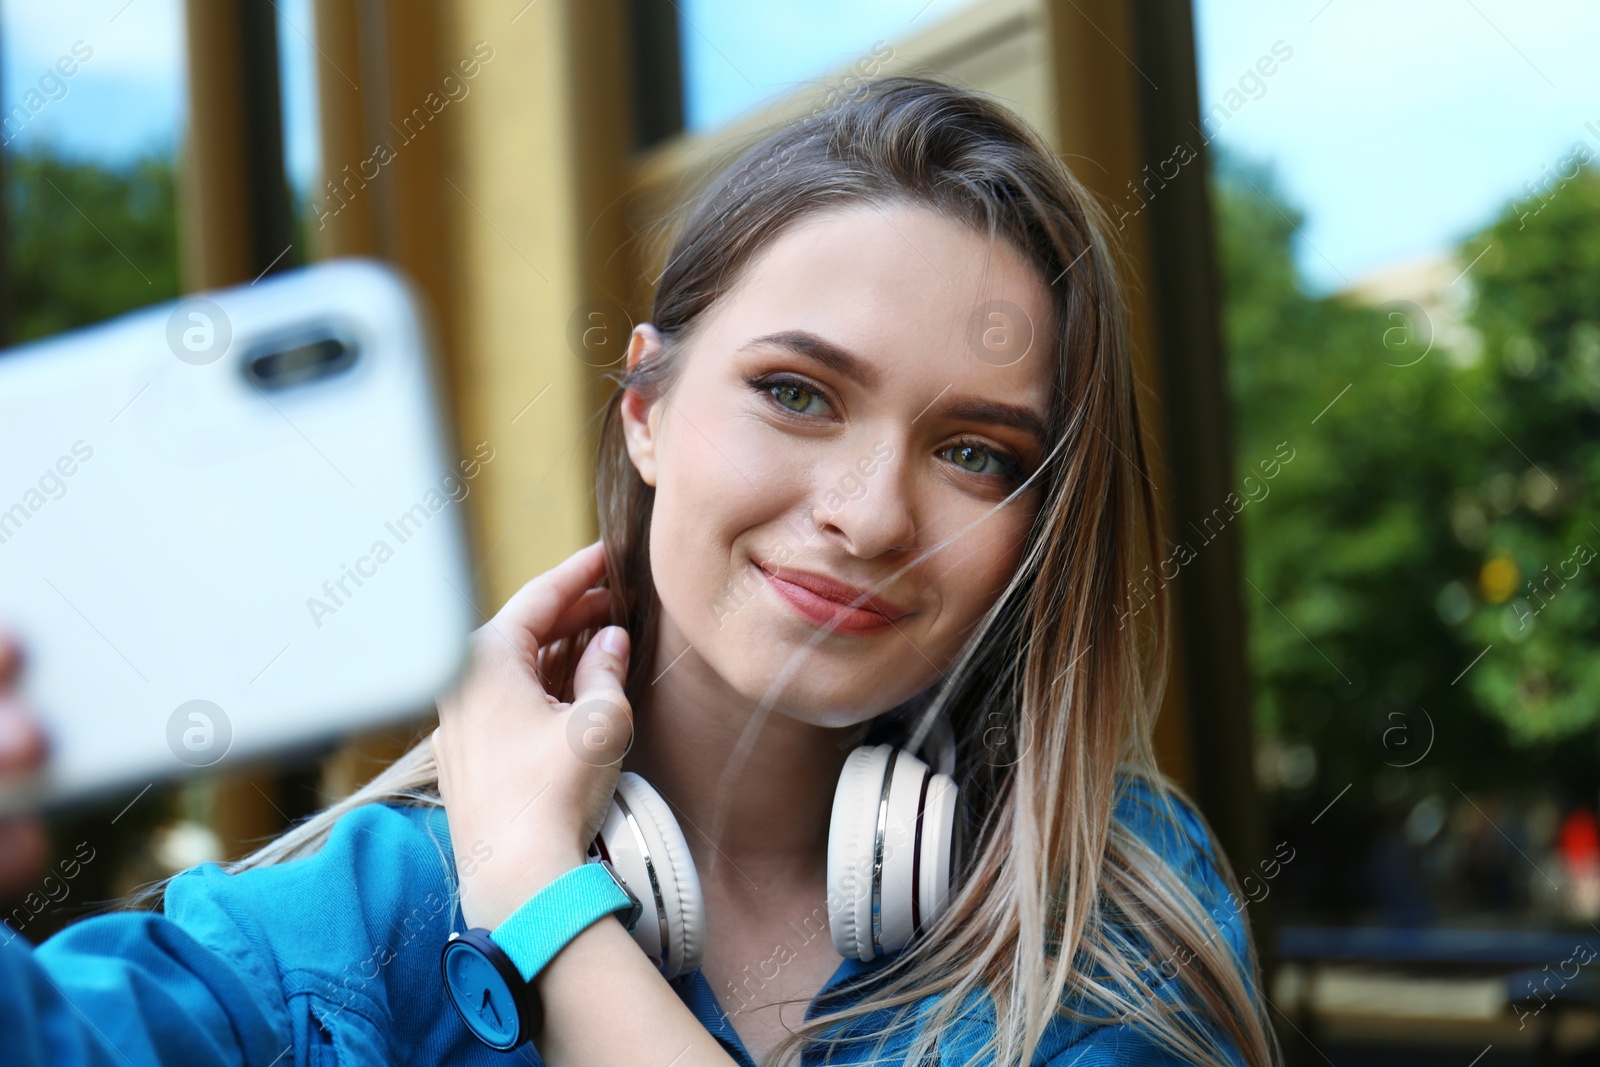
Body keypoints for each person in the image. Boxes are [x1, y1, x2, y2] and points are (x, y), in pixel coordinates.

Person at [0, 76, 1280, 1066]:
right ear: (647, 408)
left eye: (974, 452)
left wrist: (544, 899)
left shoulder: (1106, 919)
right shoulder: (370, 916)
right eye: (796, 391)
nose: (870, 513)